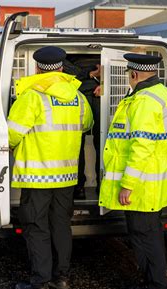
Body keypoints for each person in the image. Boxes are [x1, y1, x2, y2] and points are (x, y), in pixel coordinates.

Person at [8, 46, 94, 289]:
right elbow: (87, 125)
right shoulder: (78, 97)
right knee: (61, 226)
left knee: (36, 226)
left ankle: (40, 283)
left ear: (37, 68)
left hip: (37, 175)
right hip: (66, 175)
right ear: (60, 68)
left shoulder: (32, 96)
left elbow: (12, 133)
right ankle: (62, 278)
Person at [99, 53, 167, 289]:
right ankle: (152, 288)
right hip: (155, 181)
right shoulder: (164, 94)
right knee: (151, 237)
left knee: (146, 240)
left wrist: (127, 185)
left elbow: (141, 147)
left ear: (133, 74)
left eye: (127, 76)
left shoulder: (144, 102)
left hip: (142, 185)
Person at [63, 57, 101, 199]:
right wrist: (90, 74)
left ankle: (95, 186)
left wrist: (106, 83)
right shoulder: (60, 56)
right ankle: (78, 186)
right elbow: (62, 67)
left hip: (96, 95)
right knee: (77, 144)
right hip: (76, 95)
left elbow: (119, 68)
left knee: (102, 143)